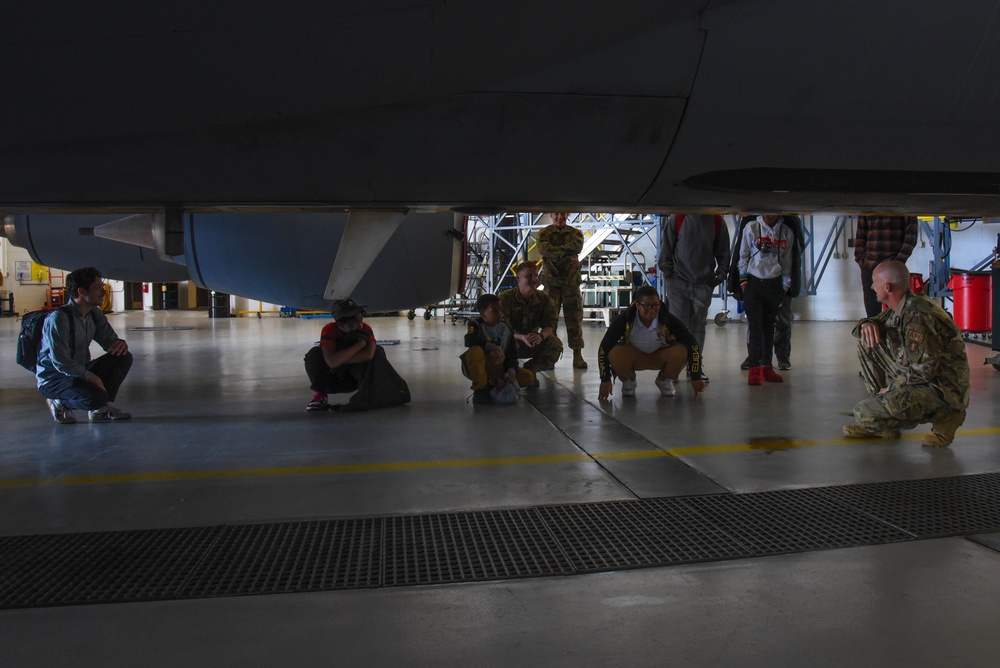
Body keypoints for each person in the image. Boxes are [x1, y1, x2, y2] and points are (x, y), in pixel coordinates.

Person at [843, 260, 970, 446]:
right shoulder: (903, 306)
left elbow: (923, 372)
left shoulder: (918, 316)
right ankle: (883, 424)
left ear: (887, 287)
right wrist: (865, 324)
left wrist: (892, 389)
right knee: (867, 343)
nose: (871, 286)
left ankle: (948, 415)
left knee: (864, 412)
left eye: (874, 282)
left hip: (943, 389)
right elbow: (867, 326)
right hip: (923, 378)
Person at [36, 267, 133, 424]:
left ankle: (99, 410)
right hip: (55, 378)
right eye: (97, 288)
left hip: (78, 371)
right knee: (97, 397)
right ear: (82, 292)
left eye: (102, 286)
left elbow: (109, 340)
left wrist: (118, 344)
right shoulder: (59, 319)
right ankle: (59, 402)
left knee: (123, 357)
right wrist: (90, 376)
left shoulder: (94, 313)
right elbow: (61, 362)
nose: (103, 292)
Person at [597, 285, 707, 400]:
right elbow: (603, 348)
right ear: (638, 305)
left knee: (682, 350)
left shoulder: (667, 319)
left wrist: (696, 377)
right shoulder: (625, 319)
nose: (652, 309)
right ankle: (628, 381)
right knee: (615, 352)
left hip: (660, 357)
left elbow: (692, 344)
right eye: (647, 306)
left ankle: (665, 380)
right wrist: (605, 379)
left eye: (655, 305)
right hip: (633, 357)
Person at [657, 214, 730, 381]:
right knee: (677, 325)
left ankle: (694, 366)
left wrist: (720, 275)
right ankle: (673, 367)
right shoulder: (678, 218)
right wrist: (668, 273)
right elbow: (666, 247)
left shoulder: (717, 220)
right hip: (678, 281)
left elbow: (724, 250)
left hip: (704, 282)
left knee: (698, 325)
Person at [304, 298, 410, 411]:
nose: (359, 320)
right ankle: (320, 395)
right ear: (340, 323)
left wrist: (341, 358)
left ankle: (369, 392)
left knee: (377, 352)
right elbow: (331, 362)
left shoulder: (366, 329)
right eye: (354, 317)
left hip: (354, 380)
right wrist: (360, 344)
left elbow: (368, 355)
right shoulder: (329, 330)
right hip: (332, 380)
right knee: (313, 355)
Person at [731, 214, 803, 371]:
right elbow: (742, 256)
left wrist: (784, 287)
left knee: (774, 324)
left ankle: (772, 361)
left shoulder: (787, 230)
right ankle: (754, 361)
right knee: (754, 325)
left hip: (775, 284)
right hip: (753, 282)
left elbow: (788, 262)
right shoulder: (751, 227)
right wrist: (743, 284)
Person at [461, 293, 535, 402]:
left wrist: (511, 371)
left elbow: (512, 354)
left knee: (528, 377)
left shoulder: (505, 328)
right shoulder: (475, 324)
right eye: (495, 311)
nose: (500, 314)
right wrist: (493, 347)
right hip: (480, 367)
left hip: (499, 367)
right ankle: (480, 388)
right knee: (476, 351)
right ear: (483, 314)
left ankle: (494, 385)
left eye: (501, 310)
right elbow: (469, 340)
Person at [537, 212, 587, 369]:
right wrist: (566, 255)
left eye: (563, 214)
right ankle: (550, 355)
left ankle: (577, 355)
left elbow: (576, 247)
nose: (559, 217)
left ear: (568, 215)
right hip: (551, 283)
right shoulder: (543, 233)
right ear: (551, 215)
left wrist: (554, 253)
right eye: (556, 214)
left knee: (574, 319)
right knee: (550, 321)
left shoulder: (576, 234)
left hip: (570, 283)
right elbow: (544, 249)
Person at [498, 261, 564, 381]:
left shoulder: (544, 298)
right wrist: (522, 337)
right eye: (528, 276)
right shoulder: (505, 299)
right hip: (512, 341)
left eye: (535, 276)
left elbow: (550, 325)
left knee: (555, 345)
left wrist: (540, 336)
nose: (533, 279)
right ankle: (505, 373)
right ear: (518, 279)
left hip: (532, 341)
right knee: (499, 347)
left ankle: (529, 371)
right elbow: (502, 328)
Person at [854, 215, 918, 318]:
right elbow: (860, 235)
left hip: (892, 267)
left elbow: (911, 236)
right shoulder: (867, 202)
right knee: (872, 313)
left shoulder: (904, 202)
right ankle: (876, 332)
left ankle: (896, 332)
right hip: (869, 265)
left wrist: (897, 262)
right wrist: (861, 260)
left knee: (898, 309)